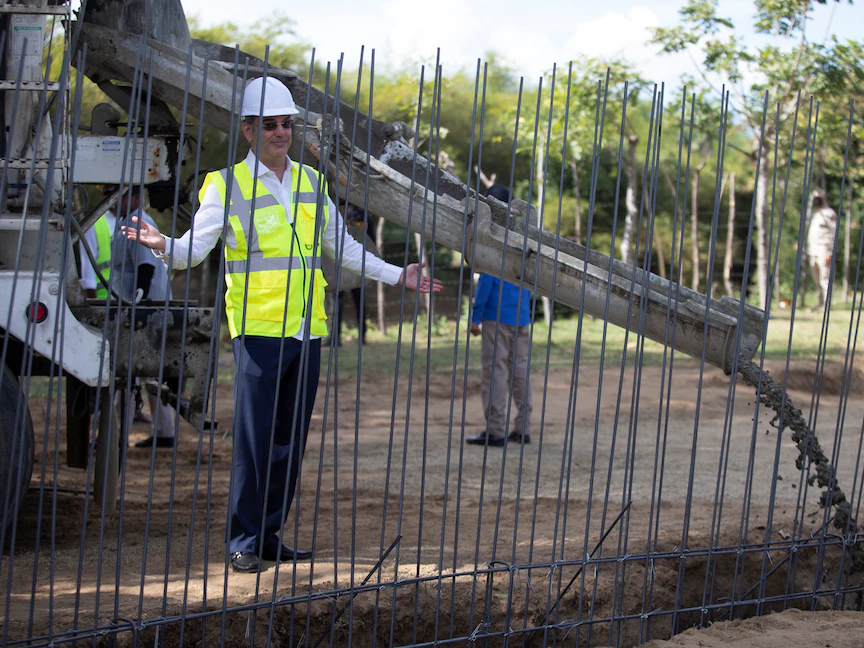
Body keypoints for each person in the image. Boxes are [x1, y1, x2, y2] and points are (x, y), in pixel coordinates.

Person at [122, 76, 442, 573]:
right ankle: (242, 540)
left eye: (285, 124)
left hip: (307, 332)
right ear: (248, 131)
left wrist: (400, 274)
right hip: (258, 334)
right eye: (269, 125)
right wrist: (163, 244)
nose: (279, 133)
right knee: (255, 442)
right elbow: (193, 250)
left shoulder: (312, 183)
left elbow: (346, 250)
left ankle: (269, 534)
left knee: (289, 442)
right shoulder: (225, 185)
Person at [108, 184, 180, 447]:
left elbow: (145, 269)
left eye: (116, 194)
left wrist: (138, 309)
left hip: (145, 309)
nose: (111, 200)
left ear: (136, 197)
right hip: (142, 307)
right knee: (145, 371)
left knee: (128, 371)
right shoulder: (125, 222)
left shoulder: (137, 223)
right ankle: (164, 432)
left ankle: (116, 437)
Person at [466, 184, 533, 448]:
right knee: (520, 370)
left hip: (496, 314)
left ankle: (495, 430)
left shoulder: (492, 234)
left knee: (496, 371)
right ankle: (523, 428)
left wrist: (476, 316)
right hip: (522, 315)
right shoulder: (523, 233)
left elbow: (487, 281)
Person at [807, 190, 838, 309]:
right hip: (813, 250)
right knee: (816, 279)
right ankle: (820, 303)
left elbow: (832, 233)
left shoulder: (829, 213)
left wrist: (829, 252)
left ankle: (827, 304)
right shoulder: (815, 214)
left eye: (819, 198)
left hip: (823, 249)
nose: (817, 200)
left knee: (825, 278)